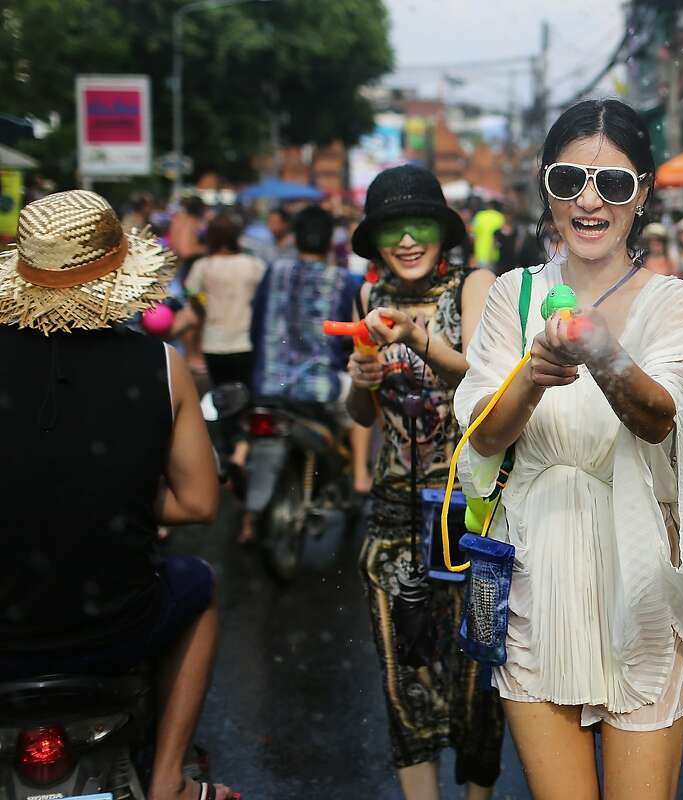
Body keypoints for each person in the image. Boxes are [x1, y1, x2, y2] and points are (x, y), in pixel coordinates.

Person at [454, 98, 683, 800]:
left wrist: (602, 352)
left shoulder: (677, 305)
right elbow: (481, 433)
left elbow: (659, 418)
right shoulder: (514, 297)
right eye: (569, 180)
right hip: (537, 587)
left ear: (644, 195)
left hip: (642, 595)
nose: (590, 201)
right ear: (546, 188)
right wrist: (534, 375)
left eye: (614, 183)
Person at [0, 190, 238, 800]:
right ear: (118, 276)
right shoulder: (161, 366)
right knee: (201, 585)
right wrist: (114, 496)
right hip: (115, 623)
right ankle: (168, 781)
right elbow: (198, 504)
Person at [344, 165, 503, 800]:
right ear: (376, 239)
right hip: (393, 516)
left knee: (478, 678)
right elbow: (364, 415)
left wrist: (415, 337)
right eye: (391, 229)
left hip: (473, 512)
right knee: (403, 678)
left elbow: (487, 386)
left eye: (420, 226)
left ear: (442, 230)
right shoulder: (367, 298)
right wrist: (361, 386)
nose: (407, 241)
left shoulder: (477, 285)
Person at [247, 204, 372, 540]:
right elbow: (358, 335)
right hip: (320, 389)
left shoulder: (273, 272)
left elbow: (256, 327)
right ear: (331, 240)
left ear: (295, 237)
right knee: (366, 393)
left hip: (269, 384)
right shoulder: (345, 281)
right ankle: (360, 473)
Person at [184, 214, 267, 388]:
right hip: (245, 342)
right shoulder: (254, 265)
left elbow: (190, 292)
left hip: (213, 343)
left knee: (221, 395)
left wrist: (202, 311)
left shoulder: (203, 266)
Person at [472, 201, 507, 270]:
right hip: (494, 252)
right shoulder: (500, 217)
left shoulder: (480, 216)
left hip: (480, 252)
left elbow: (473, 232)